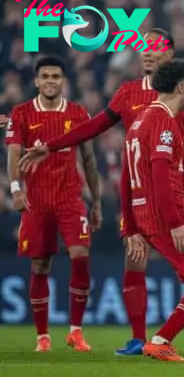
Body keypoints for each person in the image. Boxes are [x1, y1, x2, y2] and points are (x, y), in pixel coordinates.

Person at [18, 29, 184, 357]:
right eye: (143, 48)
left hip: (175, 194)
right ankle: (143, 339)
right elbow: (92, 127)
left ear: (171, 53)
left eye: (155, 47)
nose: (147, 53)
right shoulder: (128, 93)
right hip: (139, 195)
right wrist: (49, 147)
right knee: (140, 263)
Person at [122, 58, 184, 362]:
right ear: (180, 86)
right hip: (170, 215)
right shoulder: (164, 123)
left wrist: (130, 227)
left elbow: (125, 180)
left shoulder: (139, 121)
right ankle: (161, 340)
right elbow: (160, 178)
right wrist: (176, 223)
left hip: (147, 215)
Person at [5, 55, 102, 352]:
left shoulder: (77, 112)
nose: (50, 81)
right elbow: (13, 154)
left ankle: (75, 331)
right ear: (36, 81)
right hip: (36, 201)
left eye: (55, 76)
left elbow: (88, 158)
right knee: (40, 265)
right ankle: (42, 336)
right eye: (45, 76)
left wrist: (96, 200)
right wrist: (15, 189)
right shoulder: (21, 113)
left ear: (63, 81)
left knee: (80, 255)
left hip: (70, 198)